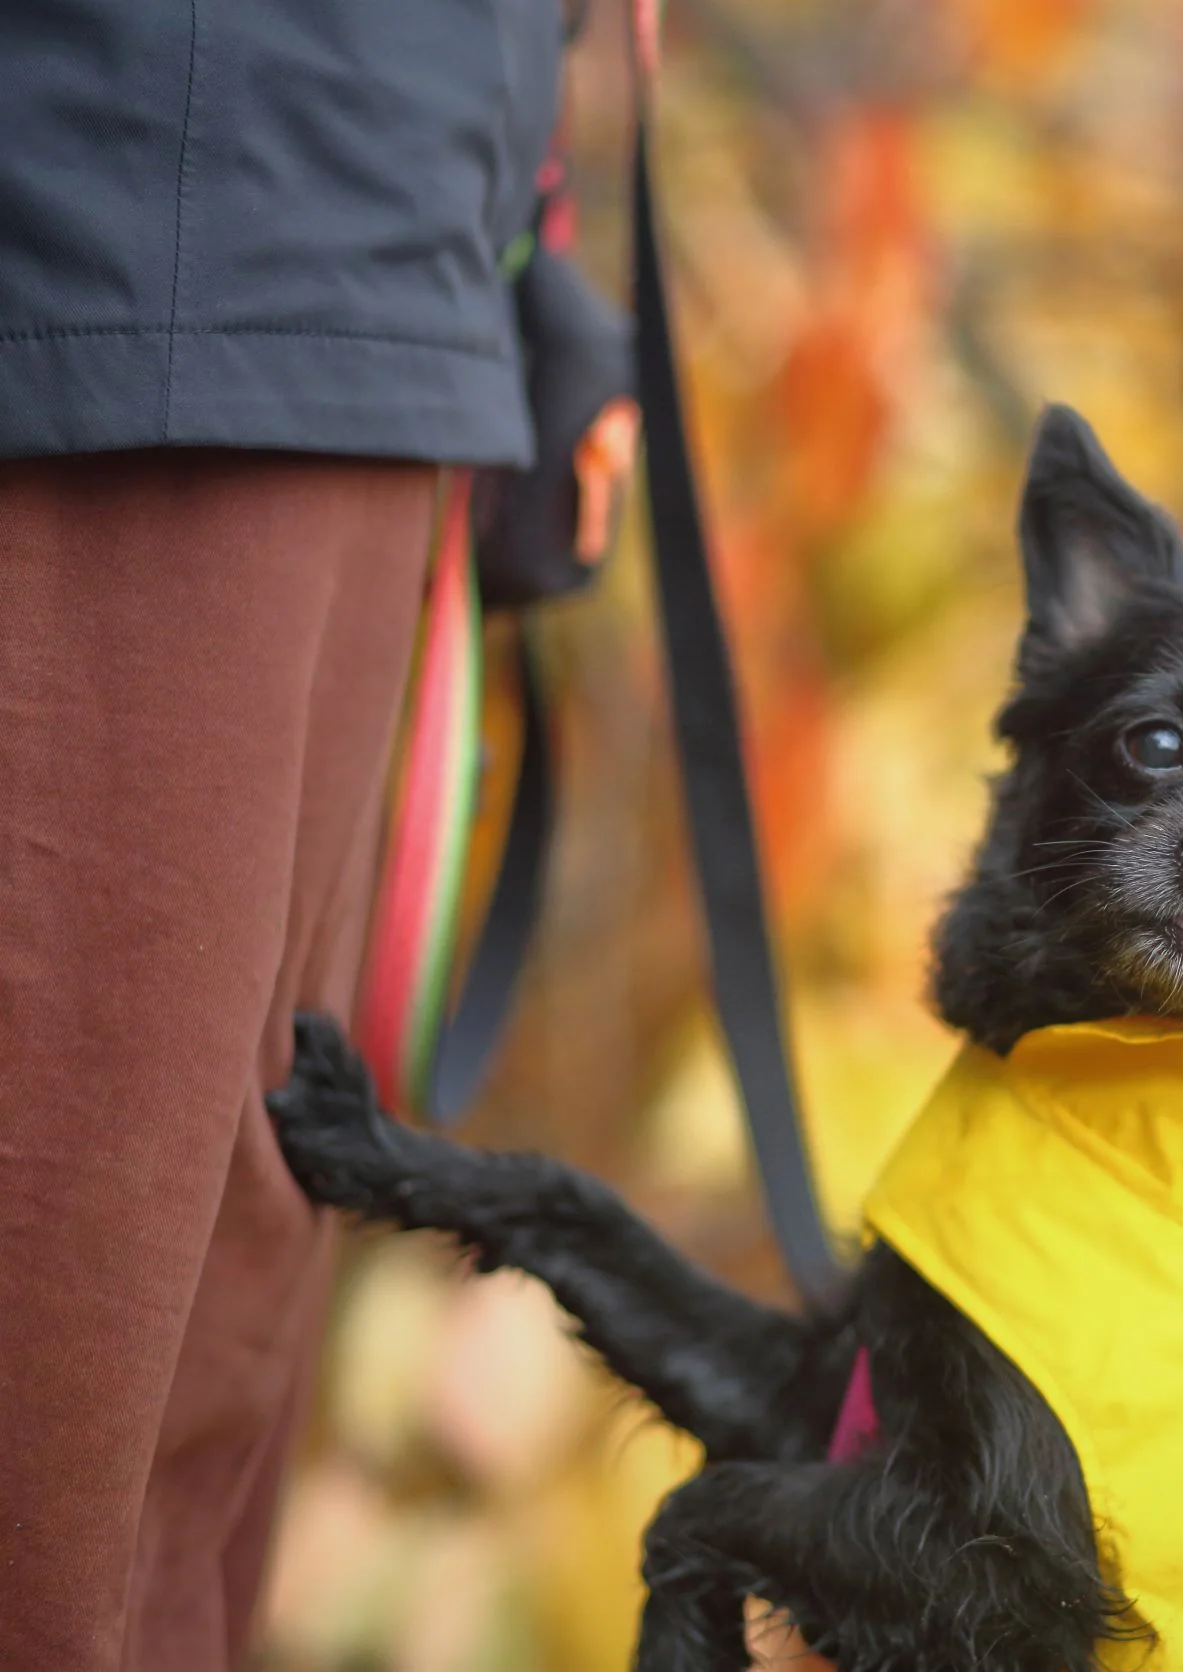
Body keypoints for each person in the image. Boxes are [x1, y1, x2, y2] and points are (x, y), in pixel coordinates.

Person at [0, 2, 570, 1664]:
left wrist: (529, 221)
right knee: (61, 1425)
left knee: (198, 1389)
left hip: (368, 231)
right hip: (137, 239)